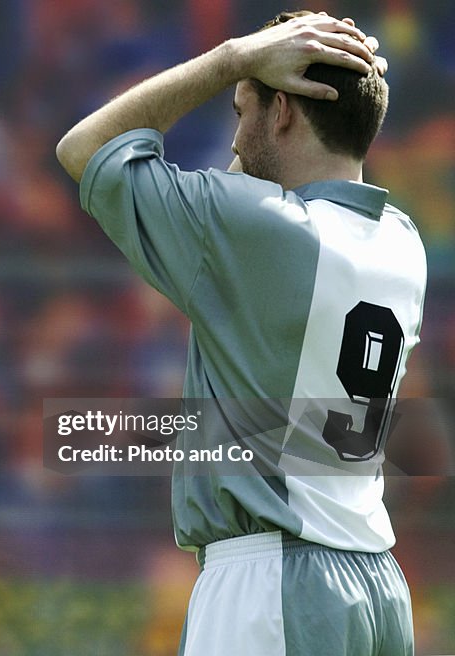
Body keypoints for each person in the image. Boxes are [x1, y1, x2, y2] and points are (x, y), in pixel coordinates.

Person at [56, 10, 422, 656]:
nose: (233, 145)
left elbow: (84, 149)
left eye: (239, 110)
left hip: (270, 584)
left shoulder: (259, 229)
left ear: (281, 109)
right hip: (377, 585)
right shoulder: (402, 242)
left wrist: (233, 55)